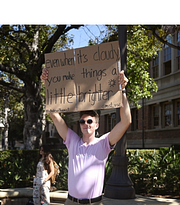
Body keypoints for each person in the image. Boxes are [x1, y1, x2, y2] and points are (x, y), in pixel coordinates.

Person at [40, 68, 131, 205]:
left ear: (97, 125)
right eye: (82, 121)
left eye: (90, 121)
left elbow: (126, 121)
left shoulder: (104, 143)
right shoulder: (72, 140)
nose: (86, 124)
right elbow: (53, 113)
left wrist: (122, 91)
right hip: (71, 202)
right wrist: (47, 84)